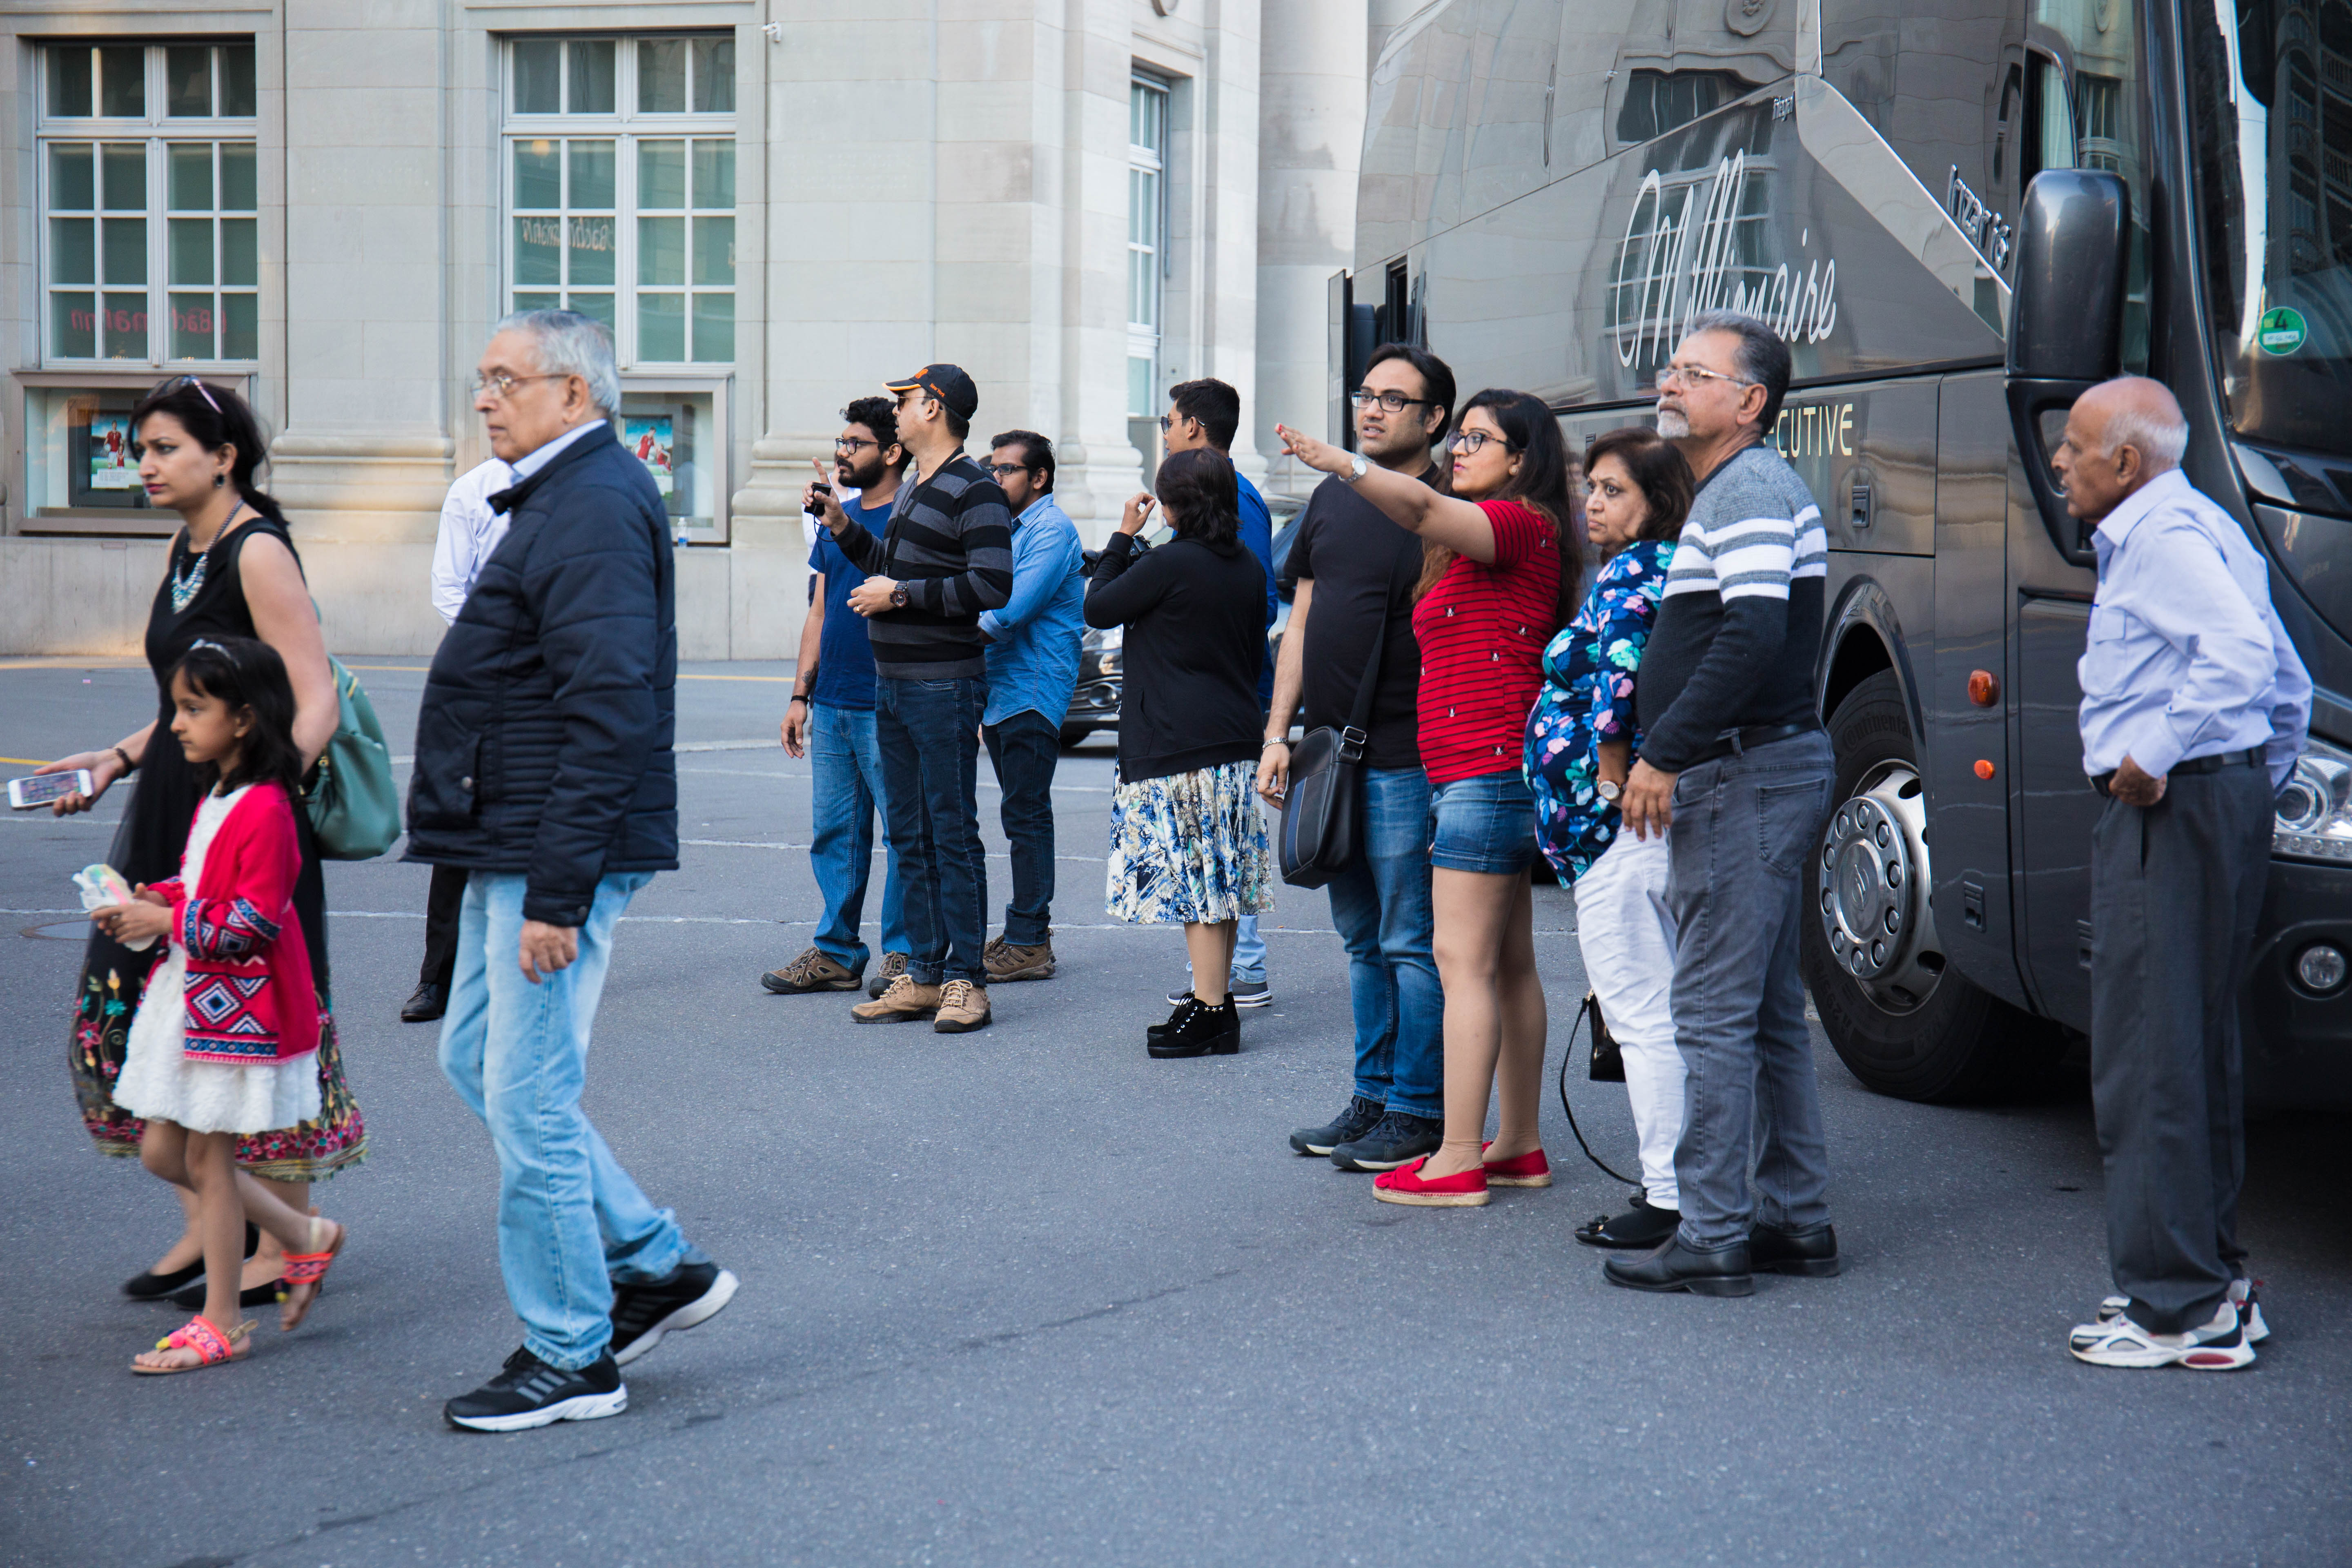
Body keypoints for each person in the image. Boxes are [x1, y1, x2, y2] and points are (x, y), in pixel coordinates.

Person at [411, 310, 737, 1432]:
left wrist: (557, 892)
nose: (486, 398)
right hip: (517, 837)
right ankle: (654, 1261)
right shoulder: (557, 494)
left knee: (529, 1101)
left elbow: (608, 710)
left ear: (574, 395)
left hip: (553, 849)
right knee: (474, 1062)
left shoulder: (591, 504)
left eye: (507, 380)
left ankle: (571, 1353)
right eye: (482, 379)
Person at [42, 375, 364, 1313]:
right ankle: (209, 1221)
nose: (143, 465)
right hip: (176, 813)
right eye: (138, 450)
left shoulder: (255, 549)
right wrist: (114, 758)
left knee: (245, 1021)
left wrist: (260, 798)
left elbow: (315, 696)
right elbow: (188, 700)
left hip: (237, 828)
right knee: (146, 1014)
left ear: (223, 457)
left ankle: (279, 1242)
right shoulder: (189, 545)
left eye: (164, 449)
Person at [2052, 377, 2310, 1370]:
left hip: (2171, 807)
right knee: (2195, 1050)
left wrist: (2157, 757)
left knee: (2148, 1058)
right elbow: (2282, 678)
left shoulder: (2159, 537)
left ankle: (2175, 1308)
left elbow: (2241, 658)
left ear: (2128, 461)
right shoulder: (2201, 522)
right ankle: (2217, 1284)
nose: (2062, 463)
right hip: (2219, 799)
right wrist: (2249, 778)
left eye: (2076, 447)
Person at [1276, 390, 1576, 1207]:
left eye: (1481, 438)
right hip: (1473, 776)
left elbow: (1414, 503)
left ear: (1522, 458)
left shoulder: (1520, 522)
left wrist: (1340, 464)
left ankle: (1455, 1156)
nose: (1465, 448)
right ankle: (1515, 1145)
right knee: (1507, 964)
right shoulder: (1472, 537)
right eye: (1466, 435)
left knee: (1458, 963)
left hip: (1484, 774)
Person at [1606, 310, 1835, 1298]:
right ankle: (1794, 1218)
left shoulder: (1743, 489)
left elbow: (1748, 637)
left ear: (1751, 401)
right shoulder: (1740, 488)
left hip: (1742, 775)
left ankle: (1713, 1231)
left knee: (1708, 1007)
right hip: (1763, 768)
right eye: (1671, 368)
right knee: (1772, 1011)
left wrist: (1662, 752)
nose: (1669, 384)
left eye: (1693, 374)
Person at [96, 638, 349, 1372]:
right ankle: (307, 1235)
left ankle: (224, 1320)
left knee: (208, 1156)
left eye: (192, 709)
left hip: (238, 1010)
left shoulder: (267, 808)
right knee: (165, 1152)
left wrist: (166, 922)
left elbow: (255, 920)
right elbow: (202, 883)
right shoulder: (222, 794)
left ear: (243, 719)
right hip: (200, 998)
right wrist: (154, 899)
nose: (176, 724)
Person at [1260, 343, 1456, 1172]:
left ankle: (1419, 1109)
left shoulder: (1440, 506)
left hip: (1407, 755)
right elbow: (1300, 623)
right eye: (1365, 396)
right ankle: (1372, 1097)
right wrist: (1277, 735)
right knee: (1361, 941)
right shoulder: (1332, 503)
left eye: (1393, 400)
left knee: (1410, 940)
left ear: (1433, 419)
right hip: (1328, 752)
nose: (1371, 410)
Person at [1525, 429, 1695, 1245]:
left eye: (1613, 490)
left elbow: (1620, 676)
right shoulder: (1653, 567)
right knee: (1663, 1006)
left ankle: (1669, 1198)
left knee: (1641, 1010)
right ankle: (1694, 1186)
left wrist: (1607, 778)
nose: (1593, 503)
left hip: (1615, 833)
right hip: (1624, 832)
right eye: (1590, 487)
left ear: (1657, 503)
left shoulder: (1635, 571)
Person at [811, 364, 1014, 1034]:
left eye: (905, 401)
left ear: (934, 407)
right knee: (911, 834)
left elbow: (992, 585)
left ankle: (966, 981)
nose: (895, 410)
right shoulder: (916, 488)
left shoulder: (973, 486)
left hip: (943, 684)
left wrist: (899, 595)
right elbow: (890, 564)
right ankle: (924, 975)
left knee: (951, 834)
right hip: (892, 683)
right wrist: (843, 526)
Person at [1087, 450, 1277, 1057]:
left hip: (1177, 740)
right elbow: (1254, 659)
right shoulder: (1246, 565)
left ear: (1173, 504)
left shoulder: (1169, 562)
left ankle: (1213, 1010)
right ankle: (1209, 1003)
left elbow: (1098, 605)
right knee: (1219, 877)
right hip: (1232, 735)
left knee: (1197, 881)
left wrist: (1122, 534)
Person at [762, 399, 912, 998]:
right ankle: (837, 951)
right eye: (842, 443)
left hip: (891, 701)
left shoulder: (908, 516)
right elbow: (819, 612)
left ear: (892, 452)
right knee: (835, 832)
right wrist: (801, 695)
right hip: (836, 703)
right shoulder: (836, 519)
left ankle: (905, 954)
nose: (844, 453)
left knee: (905, 833)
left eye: (856, 444)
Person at [1160, 379, 1280, 1010]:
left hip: (1230, 694)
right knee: (1212, 828)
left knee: (1224, 829)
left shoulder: (1236, 497)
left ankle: (1244, 971)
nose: (1165, 431)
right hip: (1213, 691)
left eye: (1169, 420)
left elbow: (1256, 597)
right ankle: (1225, 974)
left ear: (1195, 430)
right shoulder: (1214, 490)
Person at [404, 453, 518, 1025]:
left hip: (558, 678)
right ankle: (437, 978)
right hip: (483, 672)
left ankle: (530, 972)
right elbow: (448, 586)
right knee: (457, 822)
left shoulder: (584, 486)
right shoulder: (473, 490)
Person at [977, 429, 1085, 984]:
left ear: (1038, 477)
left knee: (1026, 815)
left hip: (1033, 690)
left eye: (1006, 470)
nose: (994, 478)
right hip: (1001, 693)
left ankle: (1029, 940)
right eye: (991, 468)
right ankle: (1026, 930)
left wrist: (943, 632)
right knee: (1019, 813)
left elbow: (1009, 611)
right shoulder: (1011, 527)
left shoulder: (1051, 530)